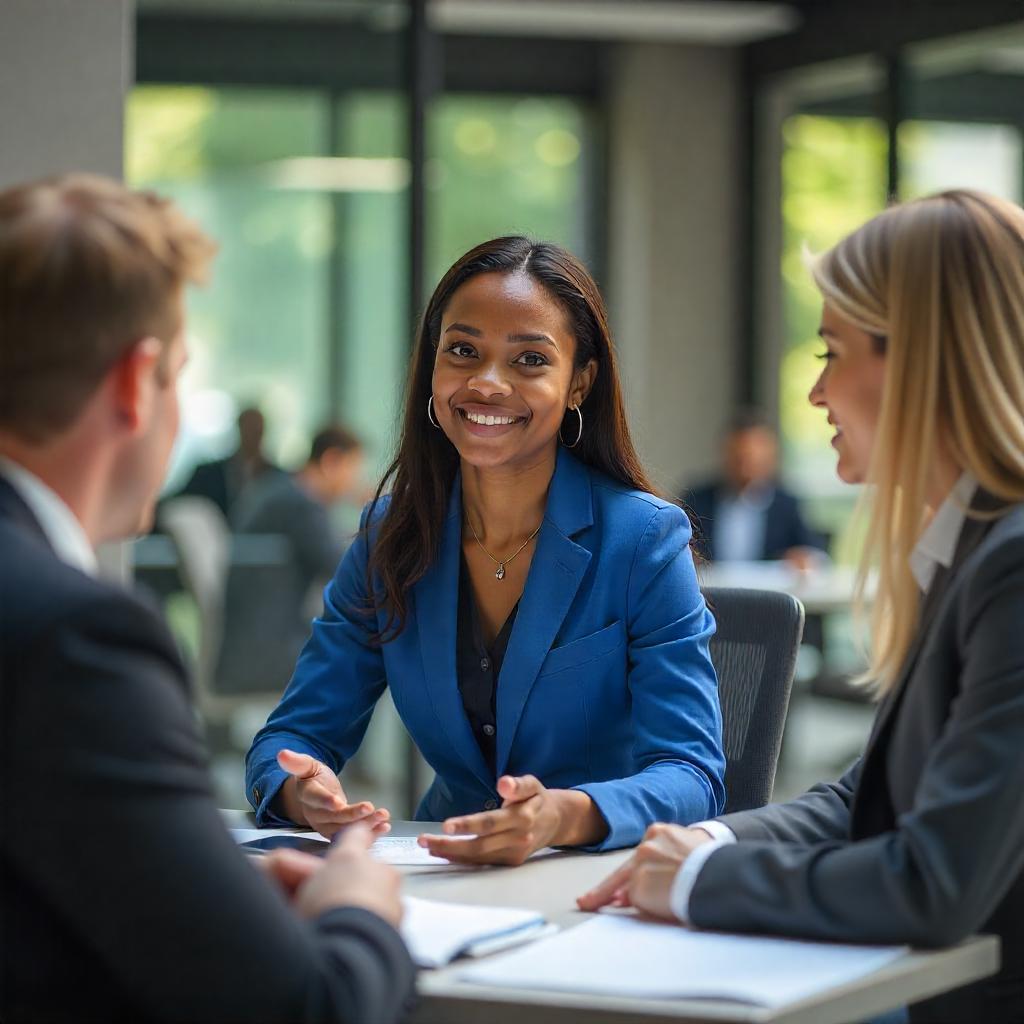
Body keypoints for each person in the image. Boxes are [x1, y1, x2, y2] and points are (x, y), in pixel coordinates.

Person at [579, 189, 1024, 1024]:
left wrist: (702, 883)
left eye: (831, 353)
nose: (816, 394)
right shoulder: (968, 550)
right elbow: (874, 797)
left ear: (920, 359)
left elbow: (935, 884)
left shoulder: (1012, 566)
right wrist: (703, 843)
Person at [0, 173, 414, 1024]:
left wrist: (187, 893)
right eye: (179, 376)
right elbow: (310, 1009)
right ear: (135, 380)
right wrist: (360, 906)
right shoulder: (74, 639)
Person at [246, 236, 726, 865]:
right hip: (442, 878)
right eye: (464, 352)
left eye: (530, 360)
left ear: (579, 383)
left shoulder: (644, 541)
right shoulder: (391, 536)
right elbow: (292, 734)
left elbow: (693, 774)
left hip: (593, 881)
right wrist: (301, 789)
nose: (488, 383)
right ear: (433, 368)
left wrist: (561, 815)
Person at [217, 424, 366, 694]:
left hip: (247, 646)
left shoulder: (280, 490)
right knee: (368, 663)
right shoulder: (300, 505)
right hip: (266, 653)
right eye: (352, 470)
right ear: (331, 461)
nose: (353, 482)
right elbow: (346, 570)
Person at [684, 409, 827, 567]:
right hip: (710, 589)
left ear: (770, 457)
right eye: (738, 457)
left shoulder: (787, 505)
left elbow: (813, 553)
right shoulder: (697, 500)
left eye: (752, 457)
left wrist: (802, 558)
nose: (745, 465)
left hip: (768, 590)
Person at [177, 405, 281, 517]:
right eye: (248, 428)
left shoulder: (278, 478)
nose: (252, 434)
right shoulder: (208, 475)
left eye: (256, 429)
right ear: (239, 428)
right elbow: (180, 502)